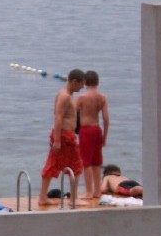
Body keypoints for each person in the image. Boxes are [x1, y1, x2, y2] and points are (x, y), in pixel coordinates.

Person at [39, 69, 85, 207]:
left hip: (63, 134)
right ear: (74, 82)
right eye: (81, 84)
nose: (82, 88)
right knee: (76, 165)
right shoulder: (65, 96)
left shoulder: (66, 95)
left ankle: (43, 197)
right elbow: (58, 117)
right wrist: (57, 140)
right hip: (64, 136)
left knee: (53, 163)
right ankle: (73, 198)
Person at [76, 70, 109, 199]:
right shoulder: (102, 98)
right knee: (97, 161)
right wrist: (105, 136)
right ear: (98, 82)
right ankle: (97, 190)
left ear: (84, 82)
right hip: (97, 129)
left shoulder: (82, 98)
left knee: (86, 162)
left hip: (86, 130)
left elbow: (73, 114)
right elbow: (105, 118)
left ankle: (89, 191)